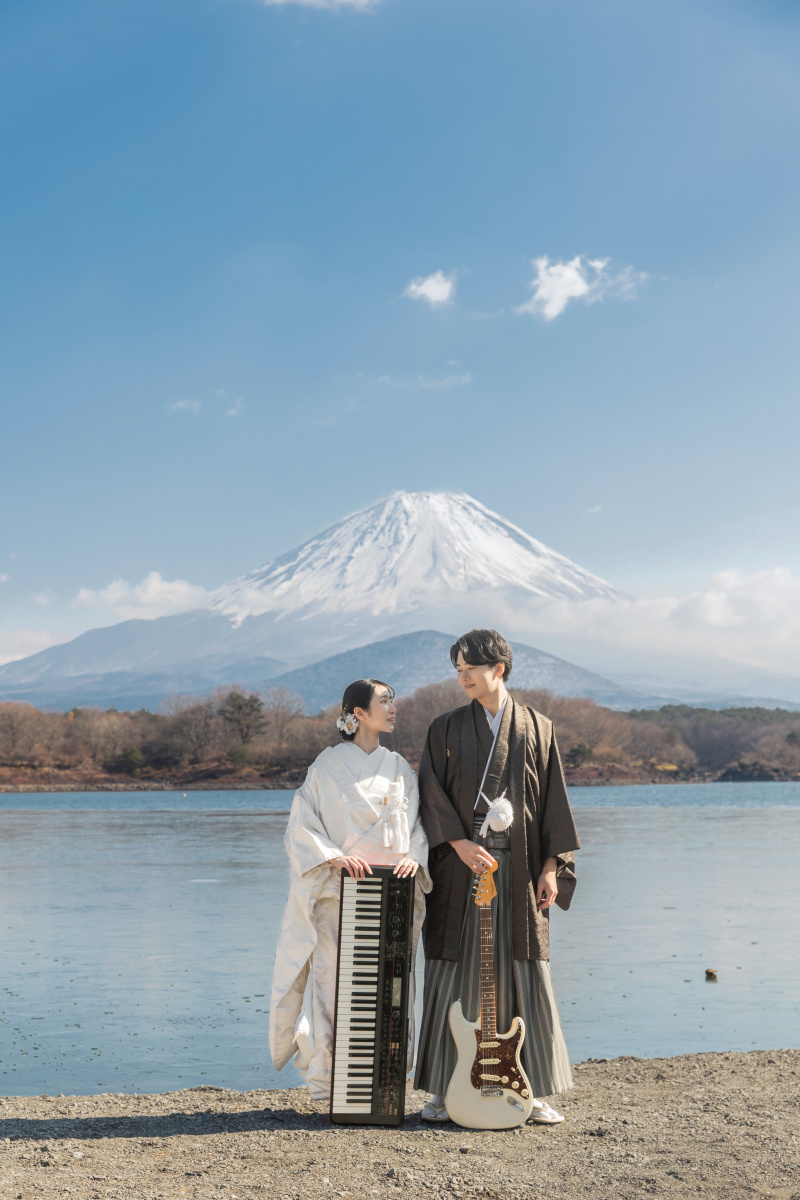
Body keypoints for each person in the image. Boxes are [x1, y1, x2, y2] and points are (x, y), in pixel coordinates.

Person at [414, 629, 579, 1125]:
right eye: (457, 668)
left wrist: (552, 866)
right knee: (456, 968)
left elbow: (554, 803)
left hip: (521, 866)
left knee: (523, 968)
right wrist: (460, 845)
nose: (461, 676)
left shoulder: (538, 727)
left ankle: (533, 1091)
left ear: (498, 669)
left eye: (470, 667)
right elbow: (429, 795)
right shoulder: (444, 728)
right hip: (463, 867)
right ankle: (446, 1090)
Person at [269, 678, 431, 1101]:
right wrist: (332, 856)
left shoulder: (399, 767)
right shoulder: (325, 766)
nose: (393, 708)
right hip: (339, 891)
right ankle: (328, 1085)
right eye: (384, 701)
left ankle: (383, 1083)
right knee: (332, 988)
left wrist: (416, 855)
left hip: (391, 890)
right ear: (358, 713)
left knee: (390, 988)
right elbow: (300, 823)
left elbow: (416, 826)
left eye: (392, 701)